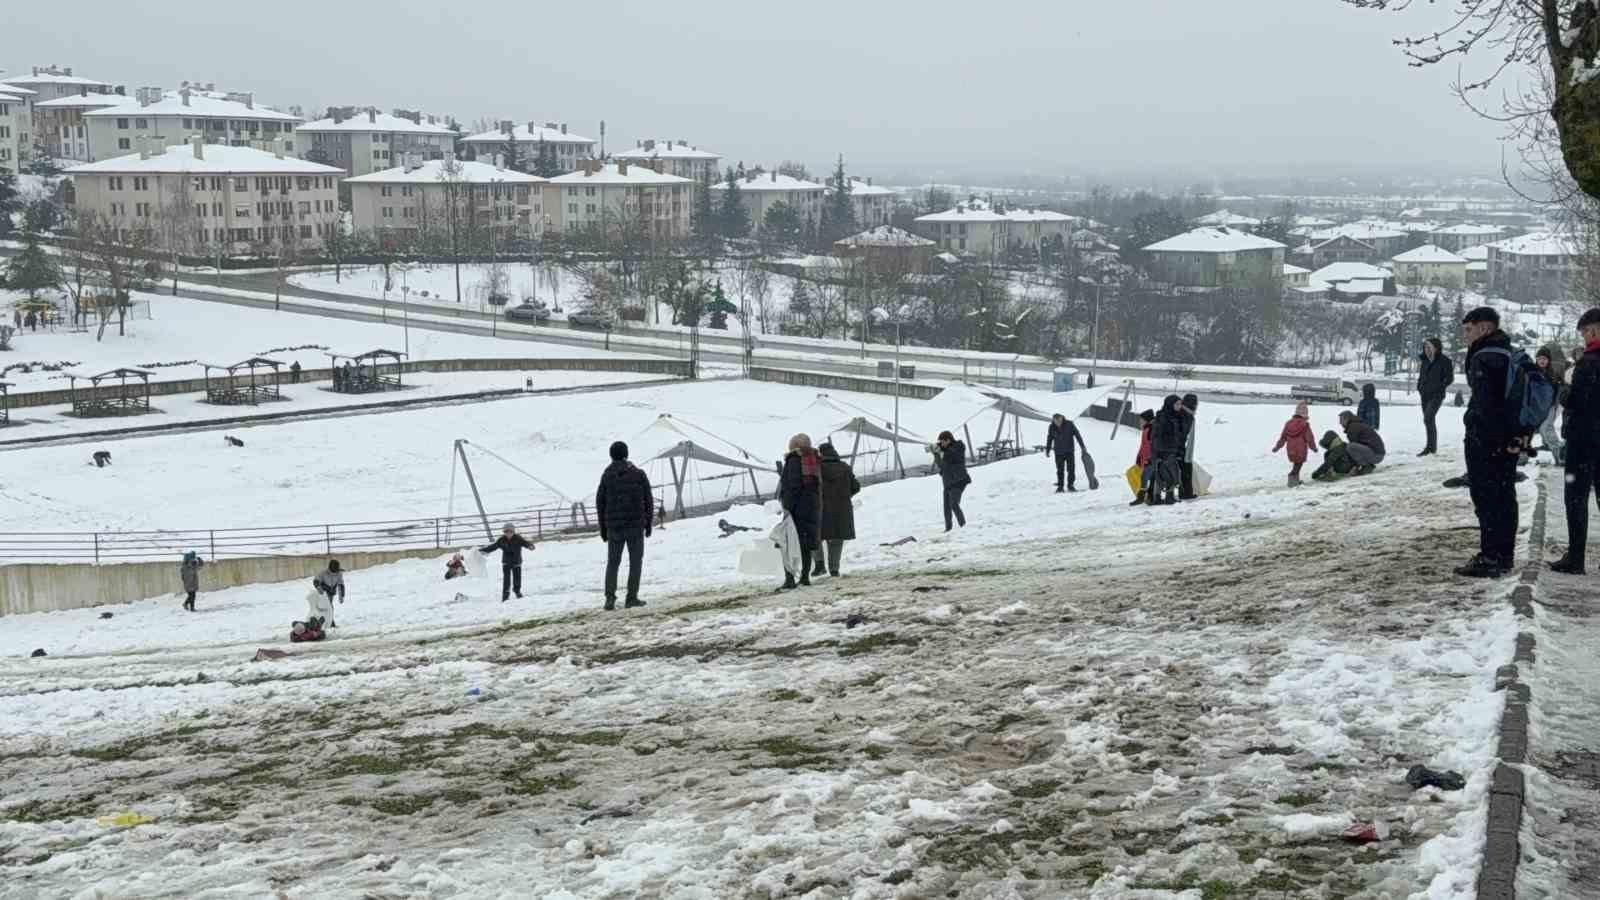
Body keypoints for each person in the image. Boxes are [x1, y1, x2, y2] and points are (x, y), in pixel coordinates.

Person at [1458, 306, 1523, 578]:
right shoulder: (1509, 354)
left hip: (1487, 440)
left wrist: (1483, 433)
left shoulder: (1484, 358)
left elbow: (1486, 404)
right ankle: (1503, 555)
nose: (1466, 337)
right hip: (1508, 438)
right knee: (1505, 496)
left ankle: (1490, 557)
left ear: (1484, 328)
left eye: (1468, 330)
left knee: (1487, 497)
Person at [1553, 308, 1600, 575]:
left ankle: (1576, 556)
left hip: (1584, 439)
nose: (1584, 338)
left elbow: (1576, 400)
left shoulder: (1589, 363)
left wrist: (1564, 393)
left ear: (1592, 330)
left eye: (1585, 332)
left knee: (1576, 497)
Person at [596, 440, 653, 610]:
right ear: (626, 454)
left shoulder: (607, 476)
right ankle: (631, 598)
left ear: (611, 456)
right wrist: (648, 523)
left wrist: (603, 528)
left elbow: (600, 503)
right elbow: (648, 500)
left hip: (615, 528)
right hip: (635, 526)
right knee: (635, 562)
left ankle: (610, 598)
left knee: (613, 563)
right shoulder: (638, 474)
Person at [779, 433, 822, 588]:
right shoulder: (813, 458)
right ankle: (804, 577)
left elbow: (793, 486)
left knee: (788, 544)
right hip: (811, 507)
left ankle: (789, 579)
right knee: (805, 545)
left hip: (796, 510)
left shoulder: (793, 460)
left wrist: (787, 508)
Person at [816, 441, 861, 577]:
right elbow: (856, 487)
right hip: (841, 509)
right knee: (836, 539)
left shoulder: (817, 469)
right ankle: (834, 569)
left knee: (816, 537)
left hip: (821, 508)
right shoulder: (845, 467)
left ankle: (819, 564)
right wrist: (844, 496)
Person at [1416, 337, 1455, 456]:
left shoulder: (1445, 361)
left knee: (1428, 418)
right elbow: (1422, 376)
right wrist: (1420, 386)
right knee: (1429, 421)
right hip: (1425, 394)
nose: (1426, 349)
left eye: (1429, 347)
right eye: (1425, 347)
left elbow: (1450, 378)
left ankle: (1431, 447)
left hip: (1437, 395)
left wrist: (1440, 386)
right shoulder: (1425, 361)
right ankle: (1431, 447)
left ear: (1436, 348)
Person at [1147, 394, 1187, 505]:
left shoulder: (1173, 416)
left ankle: (1159, 497)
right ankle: (1166, 497)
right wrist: (1160, 453)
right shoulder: (1163, 418)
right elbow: (1157, 437)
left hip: (1168, 450)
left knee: (1163, 474)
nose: (1180, 406)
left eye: (1180, 404)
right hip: (1164, 451)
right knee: (1171, 473)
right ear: (1170, 405)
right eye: (1177, 404)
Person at [480, 524, 534, 602]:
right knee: (506, 580)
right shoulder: (502, 540)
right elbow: (493, 547)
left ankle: (517, 591)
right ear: (504, 532)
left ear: (513, 532)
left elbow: (525, 543)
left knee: (517, 578)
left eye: (510, 532)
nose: (508, 534)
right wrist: (482, 550)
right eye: (506, 532)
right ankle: (505, 596)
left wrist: (530, 546)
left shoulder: (518, 538)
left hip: (516, 561)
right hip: (506, 562)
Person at [1272, 402, 1319, 487]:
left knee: (1296, 464)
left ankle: (1295, 481)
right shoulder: (1305, 425)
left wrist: (1277, 447)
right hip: (1301, 449)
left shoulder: (1288, 423)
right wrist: (1313, 447)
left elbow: (1283, 437)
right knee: (1297, 466)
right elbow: (1309, 438)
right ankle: (1292, 482)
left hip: (1290, 449)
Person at [933, 430, 970, 532]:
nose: (941, 444)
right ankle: (948, 529)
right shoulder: (944, 451)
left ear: (948, 440)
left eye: (942, 442)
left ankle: (963, 526)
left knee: (954, 504)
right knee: (946, 507)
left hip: (958, 480)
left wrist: (940, 450)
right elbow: (941, 465)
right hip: (948, 481)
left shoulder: (958, 446)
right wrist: (936, 454)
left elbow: (952, 455)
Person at [1535, 346, 1567, 464]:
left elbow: (1560, 389)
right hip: (1534, 408)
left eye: (1544, 358)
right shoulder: (1531, 373)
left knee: (1546, 428)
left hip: (1549, 407)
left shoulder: (1553, 375)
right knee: (1527, 431)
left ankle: (1559, 454)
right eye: (1539, 358)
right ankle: (1522, 455)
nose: (1542, 361)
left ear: (1548, 360)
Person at [1045, 413, 1089, 493]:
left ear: (1062, 418)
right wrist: (1047, 450)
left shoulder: (1069, 424)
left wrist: (1082, 446)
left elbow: (1077, 435)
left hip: (1069, 451)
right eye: (1055, 421)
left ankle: (1070, 485)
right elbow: (1050, 438)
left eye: (1058, 421)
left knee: (1071, 469)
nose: (1057, 423)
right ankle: (1060, 487)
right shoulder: (1051, 427)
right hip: (1058, 452)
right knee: (1060, 470)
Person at [1129, 409, 1155, 506]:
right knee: (1148, 478)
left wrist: (1149, 458)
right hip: (1146, 459)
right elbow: (1143, 445)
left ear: (1147, 420)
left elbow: (1151, 446)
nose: (1140, 421)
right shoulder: (1146, 429)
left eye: (1142, 420)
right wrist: (1139, 457)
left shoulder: (1151, 429)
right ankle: (1149, 498)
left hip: (1151, 459)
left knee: (1145, 478)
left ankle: (1142, 498)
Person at [1178, 394, 1200, 500]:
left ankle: (1186, 492)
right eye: (1196, 403)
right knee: (1186, 470)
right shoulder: (1186, 416)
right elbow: (1183, 434)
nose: (1197, 406)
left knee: (1184, 471)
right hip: (1181, 448)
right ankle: (1186, 494)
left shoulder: (1183, 413)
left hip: (1181, 447)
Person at [311, 560, 345, 628]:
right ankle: (330, 623)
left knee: (327, 608)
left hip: (331, 593)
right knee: (328, 608)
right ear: (330, 568)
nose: (336, 571)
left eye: (337, 570)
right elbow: (315, 581)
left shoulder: (339, 574)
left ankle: (325, 623)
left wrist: (341, 596)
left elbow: (341, 585)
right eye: (335, 570)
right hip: (323, 593)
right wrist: (318, 587)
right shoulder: (323, 573)